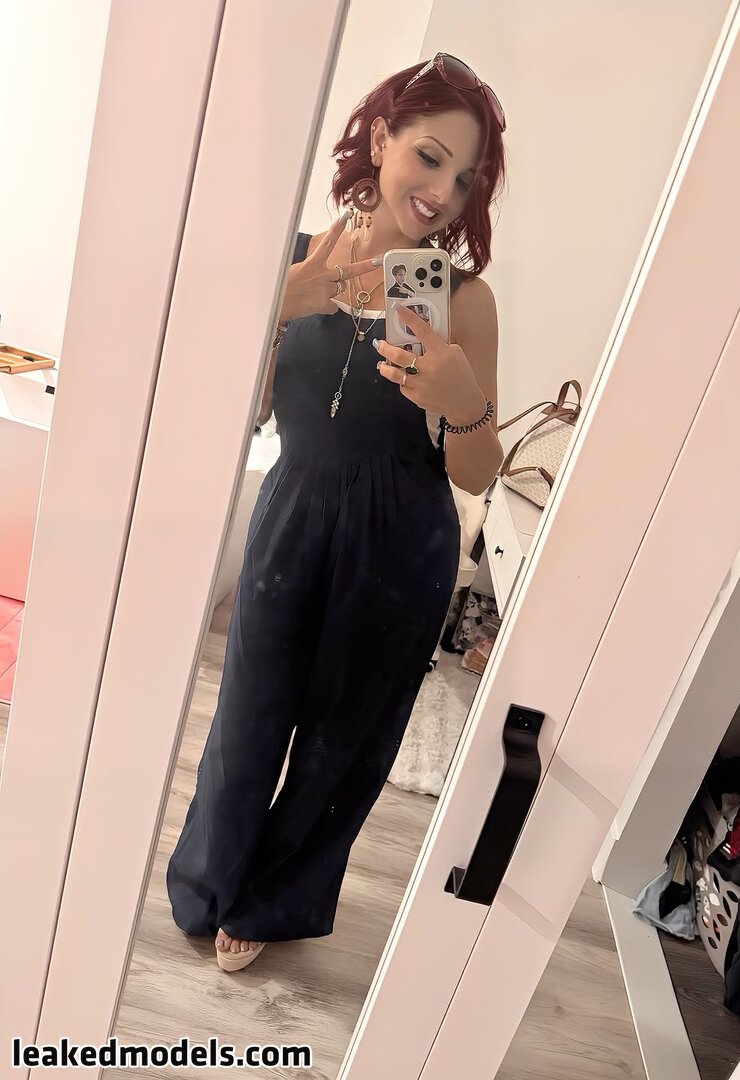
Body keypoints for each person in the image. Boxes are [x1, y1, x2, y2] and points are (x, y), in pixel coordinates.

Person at [167, 52, 507, 972]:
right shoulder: (291, 258)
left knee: (340, 746)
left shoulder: (465, 302)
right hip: (292, 513)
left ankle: (274, 901)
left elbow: (478, 470)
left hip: (403, 540)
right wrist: (283, 306)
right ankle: (209, 879)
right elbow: (228, 414)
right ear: (382, 137)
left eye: (465, 178)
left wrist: (460, 398)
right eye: (430, 156)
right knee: (246, 719)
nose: (442, 191)